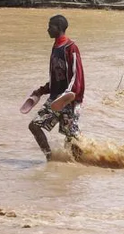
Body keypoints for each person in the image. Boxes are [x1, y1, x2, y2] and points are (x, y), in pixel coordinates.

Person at [27, 15, 86, 159]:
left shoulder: (71, 48)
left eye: (50, 26)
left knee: (71, 139)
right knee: (34, 126)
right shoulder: (55, 47)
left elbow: (76, 75)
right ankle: (50, 157)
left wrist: (70, 94)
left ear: (58, 28)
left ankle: (88, 162)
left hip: (68, 100)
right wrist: (41, 91)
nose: (47, 29)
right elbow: (56, 78)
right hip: (55, 100)